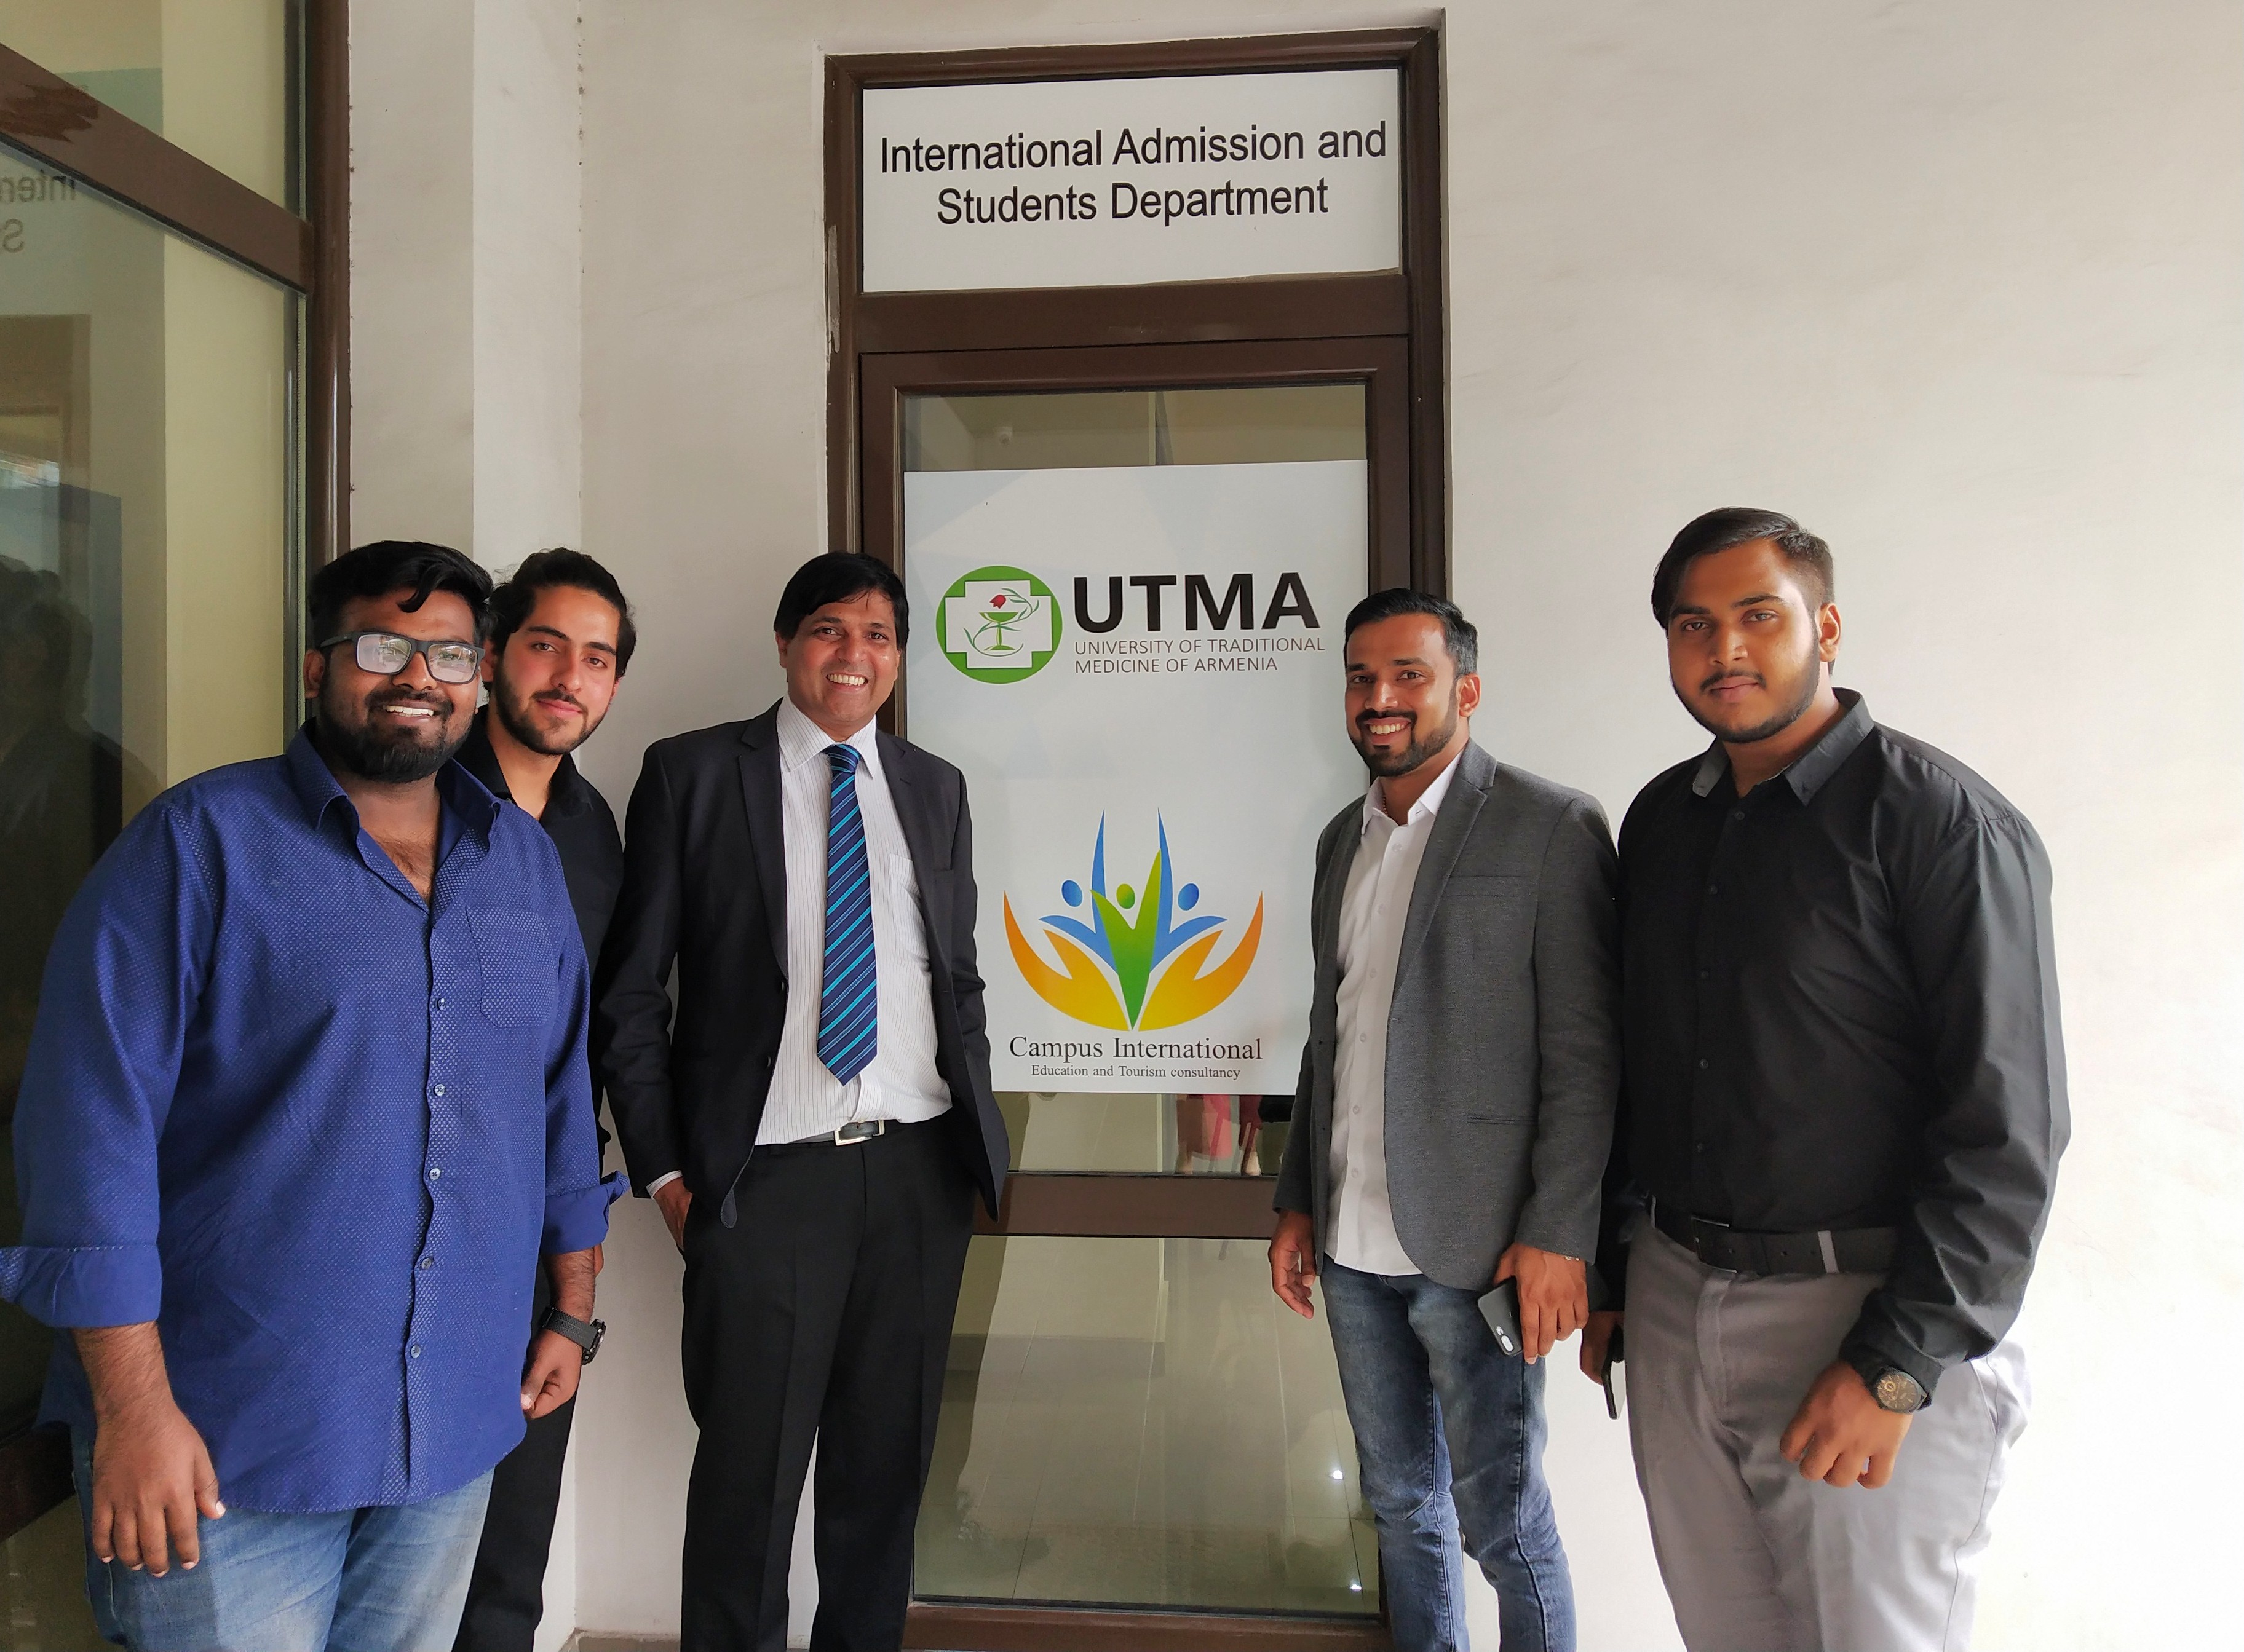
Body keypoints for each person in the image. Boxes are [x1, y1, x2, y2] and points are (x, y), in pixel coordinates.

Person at [0, 540, 611, 1652]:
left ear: (477, 679)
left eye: (449, 655)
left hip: (452, 1425)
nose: (418, 677)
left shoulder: (521, 866)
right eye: (382, 647)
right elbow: (89, 1134)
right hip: (226, 1446)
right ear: (317, 667)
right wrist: (134, 1411)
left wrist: (572, 1306)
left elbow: (558, 1097)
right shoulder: (197, 847)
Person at [1584, 508, 2066, 1652]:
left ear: (1827, 627)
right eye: (1693, 626)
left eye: (1759, 616)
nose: (1725, 650)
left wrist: (1897, 1366)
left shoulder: (1941, 823)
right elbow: (1633, 1065)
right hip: (1673, 1303)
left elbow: (2007, 1128)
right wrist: (1613, 1270)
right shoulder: (1661, 821)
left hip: (1860, 1314)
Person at [597, 552, 1009, 1651]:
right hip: (765, 1183)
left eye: (878, 636)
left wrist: (973, 1145)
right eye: (829, 629)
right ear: (784, 643)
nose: (853, 655)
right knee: (749, 1486)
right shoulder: (692, 775)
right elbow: (631, 993)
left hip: (916, 1173)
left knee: (884, 1482)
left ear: (898, 659)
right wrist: (665, 1172)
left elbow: (954, 975)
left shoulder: (934, 786)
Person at [1267, 590, 1620, 1652]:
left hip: (1479, 1253)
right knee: (1398, 1507)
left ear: (1464, 691)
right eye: (1360, 677)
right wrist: (1296, 1201)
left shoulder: (1549, 826)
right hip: (1353, 1248)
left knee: (1502, 1525)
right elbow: (1329, 1036)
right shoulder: (1340, 841)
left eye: (1407, 676)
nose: (1378, 698)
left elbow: (1587, 1058)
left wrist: (1560, 1233)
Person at [453, 550, 635, 1652]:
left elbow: (587, 1054)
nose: (570, 678)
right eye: (545, 646)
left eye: (597, 659)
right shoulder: (414, 790)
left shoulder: (592, 830)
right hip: (400, 1215)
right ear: (491, 657)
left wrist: (576, 1281)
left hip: (531, 1218)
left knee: (512, 1542)